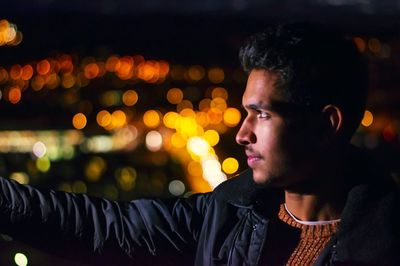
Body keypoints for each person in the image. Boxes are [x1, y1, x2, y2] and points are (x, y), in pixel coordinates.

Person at [0, 23, 399, 266]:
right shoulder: (230, 214)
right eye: (245, 113)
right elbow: (105, 228)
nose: (242, 134)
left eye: (262, 114)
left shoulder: (383, 245)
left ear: (327, 124)